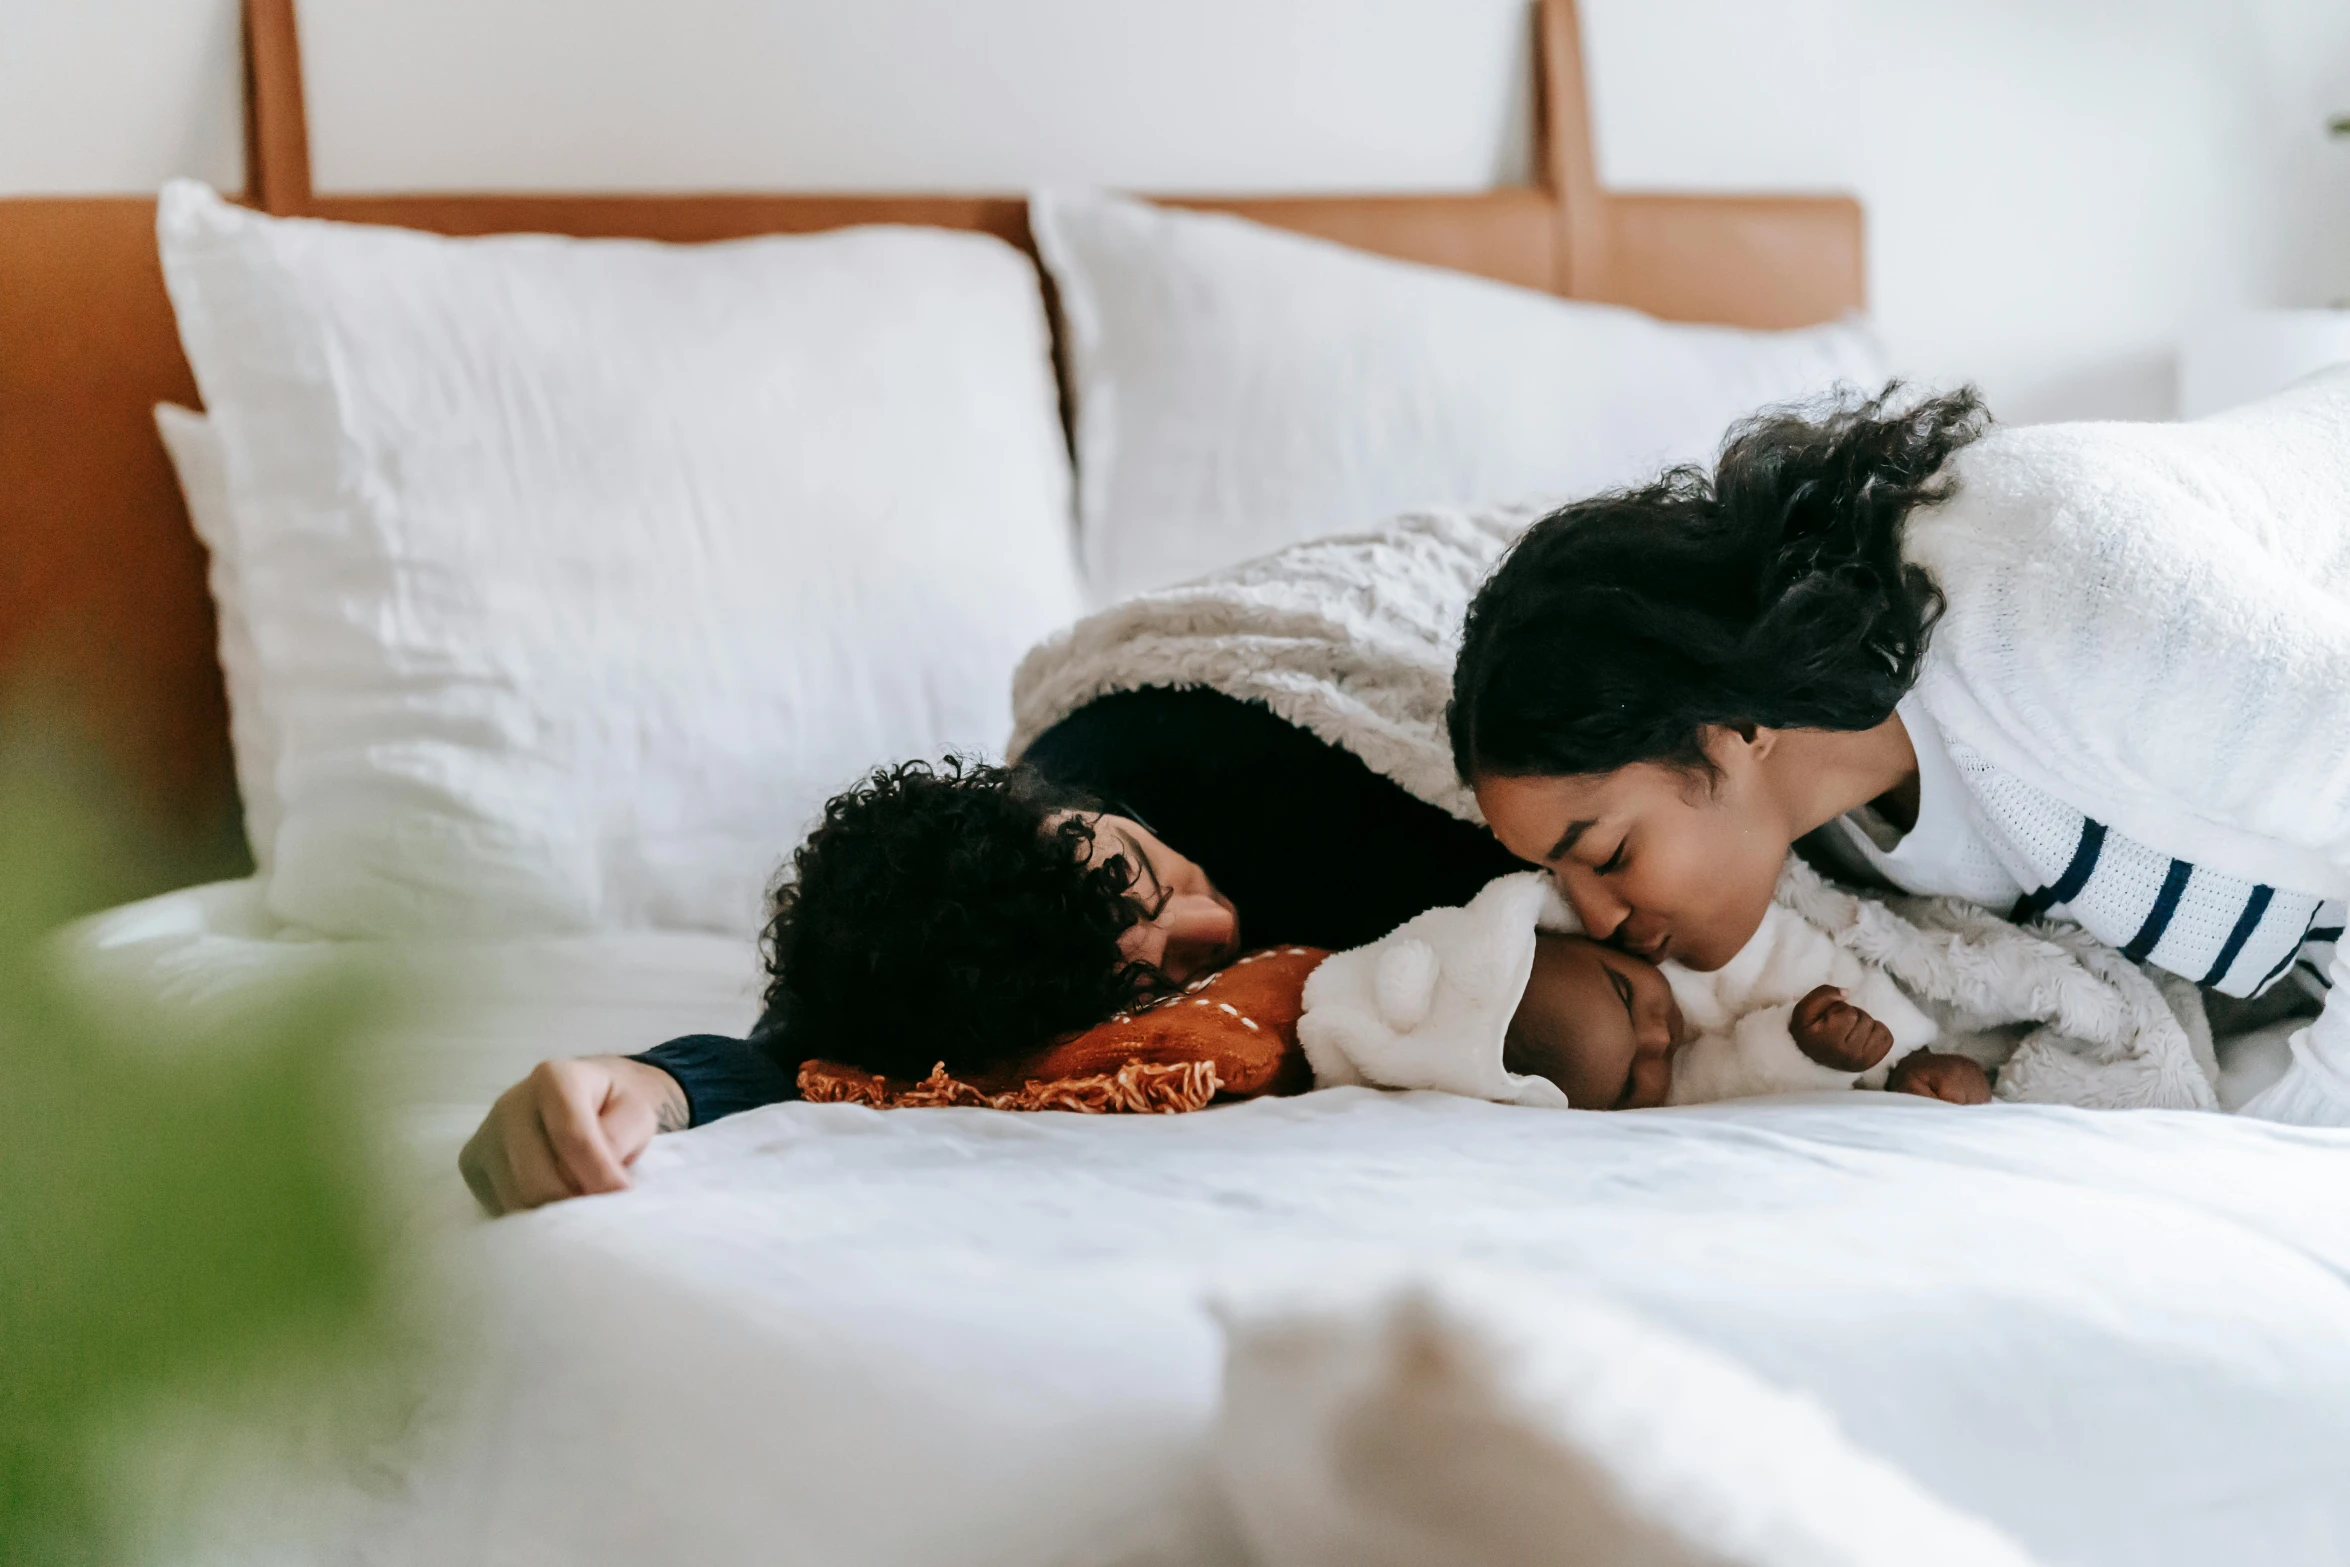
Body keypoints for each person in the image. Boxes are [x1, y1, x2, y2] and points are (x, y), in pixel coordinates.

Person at [1445, 381, 2346, 1128]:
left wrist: (2300, 1120)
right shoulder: (1834, 850)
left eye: (1607, 854)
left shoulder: (2045, 588)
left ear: (1732, 719)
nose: (1595, 916)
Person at [461, 688, 1524, 1214]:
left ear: (1067, 811)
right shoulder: (989, 957)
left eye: (1140, 875)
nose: (1209, 930)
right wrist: (639, 1083)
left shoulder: (1237, 779)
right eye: (1152, 979)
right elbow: (811, 1048)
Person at [1295, 868, 1990, 1113]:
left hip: (1883, 930)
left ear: (1575, 935)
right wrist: (1805, 1049)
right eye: (1632, 1080)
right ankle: (1921, 1065)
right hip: (1867, 1043)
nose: (1662, 1038)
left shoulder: (1643, 920)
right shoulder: (1673, 1087)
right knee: (1945, 1089)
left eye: (1627, 999)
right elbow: (1727, 1082)